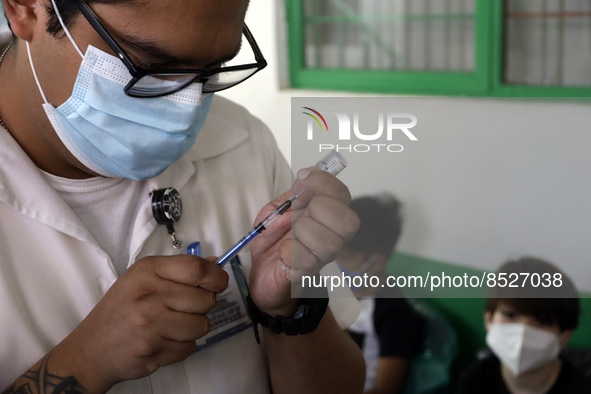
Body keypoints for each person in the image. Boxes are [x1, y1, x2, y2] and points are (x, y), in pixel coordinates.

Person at [0, 1, 365, 393]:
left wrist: (288, 311)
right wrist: (85, 363)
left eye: (212, 71)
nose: (186, 109)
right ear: (26, 9)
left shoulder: (242, 141)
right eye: (149, 66)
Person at [457, 257, 591, 394]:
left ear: (563, 337)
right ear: (489, 320)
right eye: (510, 315)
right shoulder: (475, 379)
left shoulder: (581, 390)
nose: (523, 331)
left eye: (542, 322)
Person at [336, 194, 425, 394]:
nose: (335, 265)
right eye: (334, 255)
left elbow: (385, 389)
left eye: (346, 258)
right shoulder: (332, 292)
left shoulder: (394, 313)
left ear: (376, 262)